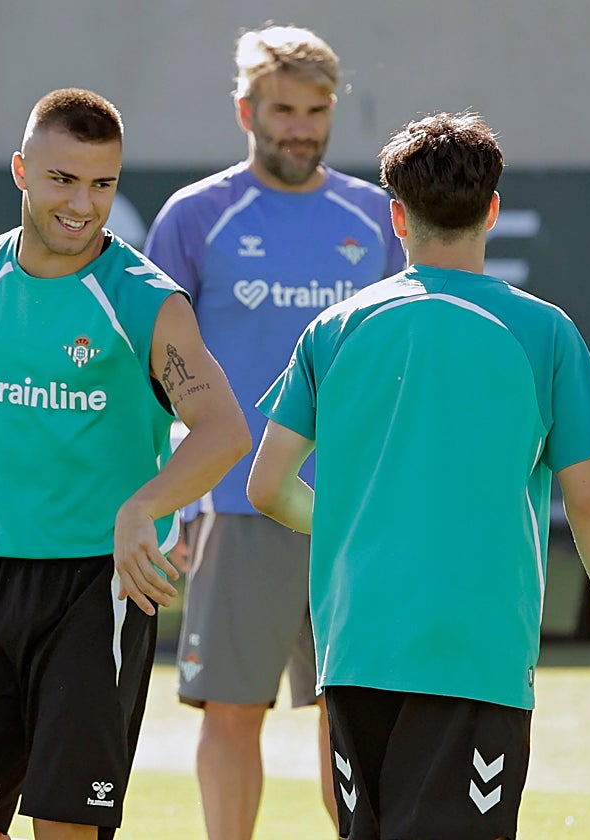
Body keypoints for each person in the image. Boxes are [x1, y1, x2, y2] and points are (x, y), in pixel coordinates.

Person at [247, 112, 590, 839]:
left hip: (355, 650)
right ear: (492, 209)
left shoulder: (333, 330)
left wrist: (353, 519)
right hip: (476, 654)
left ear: (395, 217)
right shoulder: (545, 332)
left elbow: (266, 487)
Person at [0, 88, 250, 840]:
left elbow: (222, 432)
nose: (83, 205)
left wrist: (140, 509)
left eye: (103, 184)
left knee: (63, 827)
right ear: (22, 171)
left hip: (98, 588)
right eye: (63, 179)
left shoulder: (149, 301)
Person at [143, 24, 404, 837]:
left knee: (355, 717)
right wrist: (171, 506)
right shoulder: (195, 217)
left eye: (317, 110)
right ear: (245, 109)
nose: (302, 126)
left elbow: (401, 370)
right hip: (233, 509)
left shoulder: (377, 217)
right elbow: (154, 378)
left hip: (351, 515)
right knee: (229, 713)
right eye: (284, 109)